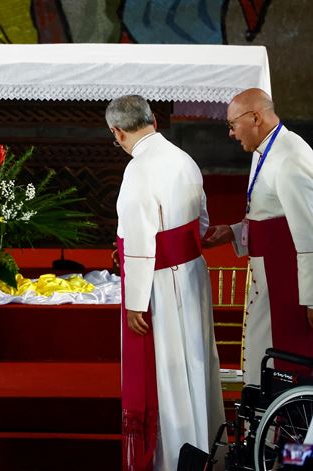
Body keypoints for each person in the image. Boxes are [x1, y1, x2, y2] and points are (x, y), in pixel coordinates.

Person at [109, 95, 224, 470]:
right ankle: (204, 445)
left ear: (118, 133)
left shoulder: (139, 170)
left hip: (160, 283)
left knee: (170, 375)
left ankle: (174, 458)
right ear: (153, 120)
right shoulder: (183, 158)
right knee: (195, 363)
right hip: (192, 274)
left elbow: (141, 242)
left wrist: (135, 302)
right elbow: (202, 223)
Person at [202, 88, 313, 382]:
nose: (231, 133)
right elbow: (270, 216)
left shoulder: (290, 156)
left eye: (232, 124)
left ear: (254, 118)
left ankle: (283, 427)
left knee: (285, 364)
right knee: (264, 358)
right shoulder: (267, 148)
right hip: (271, 277)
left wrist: (312, 300)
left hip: (289, 286)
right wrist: (234, 232)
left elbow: (308, 232)